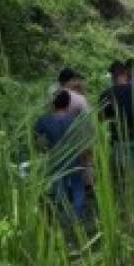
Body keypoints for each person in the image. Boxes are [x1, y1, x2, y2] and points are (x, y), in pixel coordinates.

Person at [34, 90, 87, 220]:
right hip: (74, 155)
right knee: (77, 185)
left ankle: (62, 215)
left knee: (59, 185)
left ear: (53, 103)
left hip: (55, 155)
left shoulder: (44, 120)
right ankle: (77, 216)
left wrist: (45, 150)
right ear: (68, 103)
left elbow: (36, 140)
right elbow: (83, 140)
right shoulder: (75, 120)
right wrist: (86, 159)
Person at [101, 60, 134, 171]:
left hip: (120, 141)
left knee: (123, 175)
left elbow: (101, 118)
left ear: (112, 76)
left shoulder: (106, 95)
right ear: (126, 73)